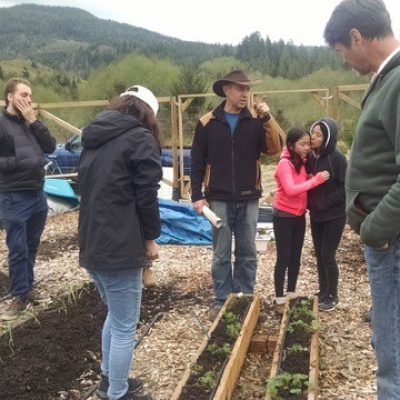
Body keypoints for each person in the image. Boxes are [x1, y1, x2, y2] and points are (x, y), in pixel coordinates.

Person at [324, 0, 400, 397]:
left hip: (391, 240)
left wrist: (375, 228)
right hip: (387, 240)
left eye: (341, 52)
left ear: (356, 36)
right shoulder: (387, 78)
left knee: (393, 352)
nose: (344, 62)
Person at [78, 85, 161, 400]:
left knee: (115, 315)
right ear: (147, 113)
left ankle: (108, 381)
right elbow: (146, 196)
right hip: (119, 247)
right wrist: (151, 238)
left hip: (92, 244)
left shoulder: (95, 139)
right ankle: (117, 393)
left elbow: (82, 189)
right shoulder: (139, 139)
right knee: (126, 324)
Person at [190, 70, 284, 320]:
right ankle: (222, 301)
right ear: (227, 90)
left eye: (247, 89)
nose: (245, 94)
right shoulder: (207, 122)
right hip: (218, 198)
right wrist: (197, 195)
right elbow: (197, 161)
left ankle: (243, 300)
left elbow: (274, 149)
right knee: (221, 253)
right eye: (240, 89)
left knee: (247, 252)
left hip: (249, 197)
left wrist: (268, 119)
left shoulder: (256, 120)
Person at [0, 78, 56, 321]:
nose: (28, 100)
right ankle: (18, 296)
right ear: (10, 97)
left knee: (32, 245)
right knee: (18, 247)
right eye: (24, 94)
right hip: (13, 194)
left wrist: (34, 120)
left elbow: (51, 146)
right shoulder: (1, 124)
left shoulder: (29, 123)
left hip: (37, 193)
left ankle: (28, 287)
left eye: (31, 96)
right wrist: (17, 162)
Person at [273, 128, 329, 310]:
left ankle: (291, 292)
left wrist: (310, 177)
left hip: (298, 215)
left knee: (296, 256)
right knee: (284, 257)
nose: (307, 147)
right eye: (302, 144)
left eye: (308, 143)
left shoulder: (301, 162)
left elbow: (301, 183)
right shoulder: (284, 164)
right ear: (291, 145)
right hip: (283, 216)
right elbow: (290, 189)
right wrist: (316, 181)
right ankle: (279, 298)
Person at [307, 118, 347, 312]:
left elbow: (345, 187)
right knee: (319, 255)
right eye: (312, 132)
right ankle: (323, 291)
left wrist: (326, 202)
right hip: (316, 216)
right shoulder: (311, 157)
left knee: (327, 255)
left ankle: (333, 295)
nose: (313, 137)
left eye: (318, 134)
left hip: (334, 216)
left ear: (328, 138)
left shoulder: (337, 158)